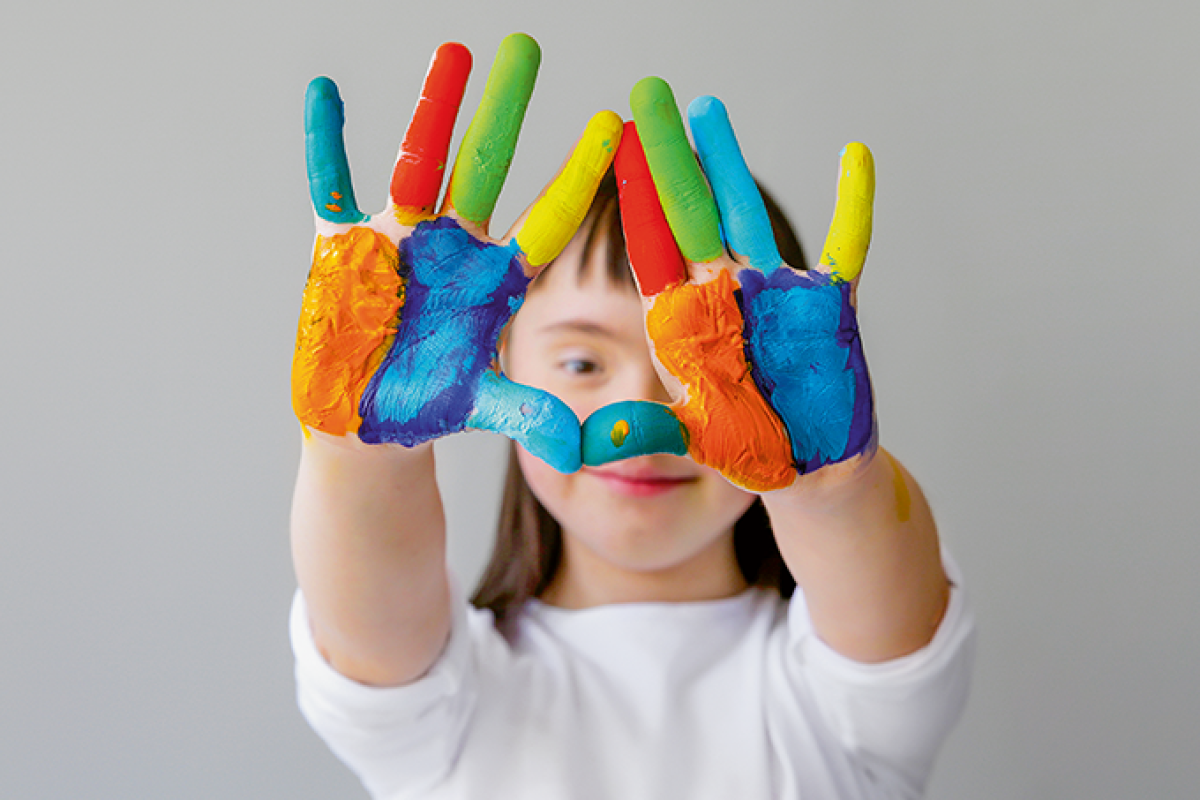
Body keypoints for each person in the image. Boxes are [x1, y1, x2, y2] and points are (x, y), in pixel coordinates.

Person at [289, 33, 975, 800]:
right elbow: (371, 618)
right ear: (498, 364)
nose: (638, 415)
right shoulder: (440, 704)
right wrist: (357, 456)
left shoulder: (844, 694)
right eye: (583, 362)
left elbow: (879, 587)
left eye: (717, 370)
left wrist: (830, 484)